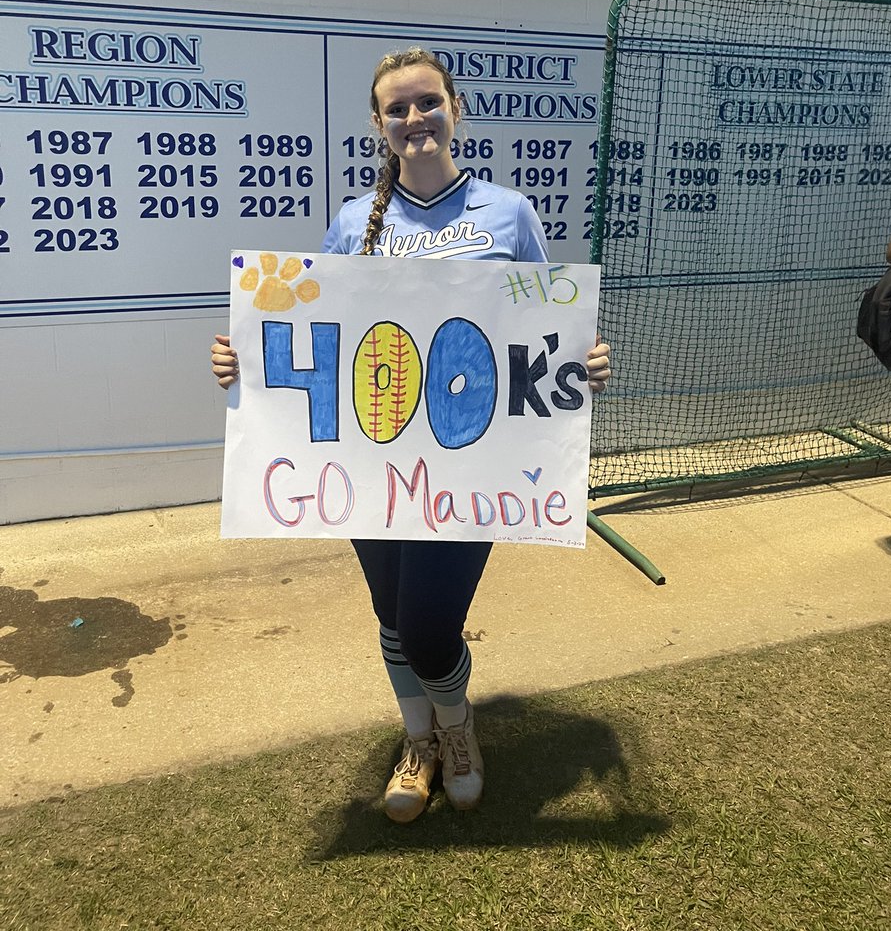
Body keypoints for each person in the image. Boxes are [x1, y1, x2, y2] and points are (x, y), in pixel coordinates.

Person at [211, 47, 612, 823]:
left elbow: (542, 324)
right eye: (397, 109)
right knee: (391, 612)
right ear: (378, 125)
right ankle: (419, 740)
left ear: (454, 109)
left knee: (430, 626)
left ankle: (459, 732)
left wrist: (583, 362)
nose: (414, 118)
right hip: (370, 461)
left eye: (427, 102)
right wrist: (245, 360)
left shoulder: (507, 213)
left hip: (469, 466)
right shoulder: (350, 221)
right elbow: (316, 333)